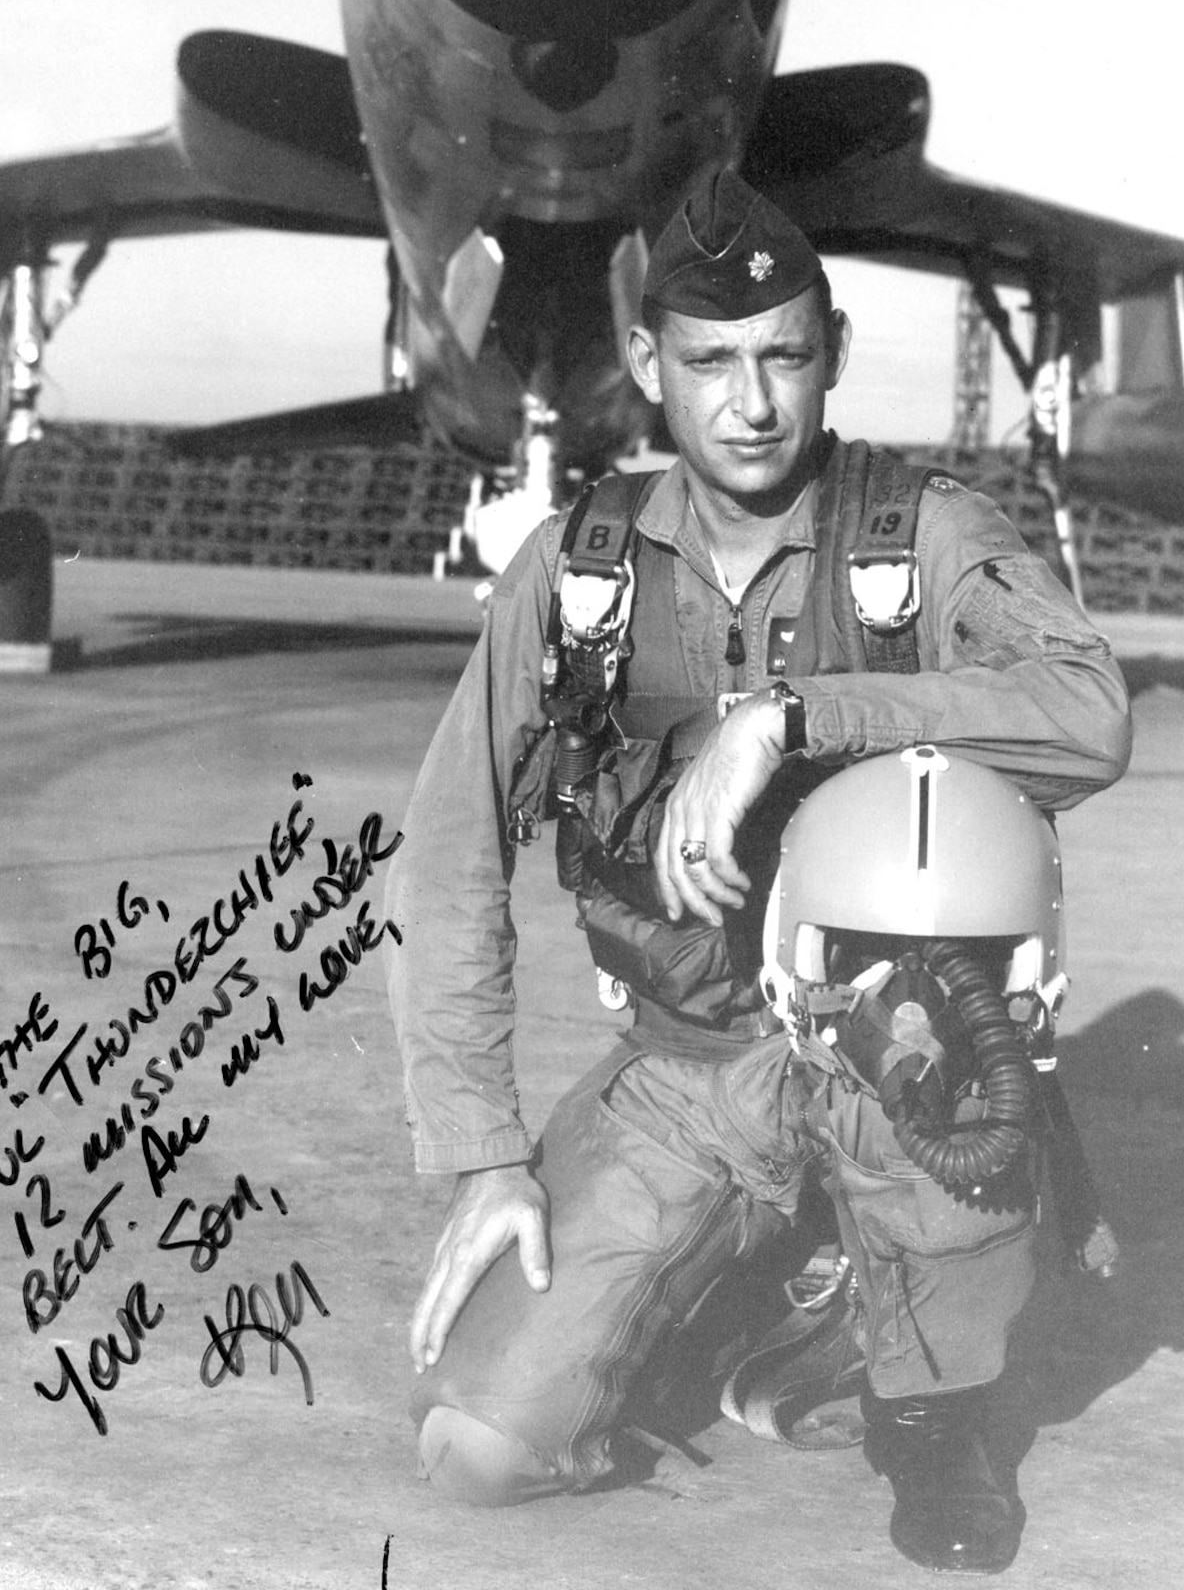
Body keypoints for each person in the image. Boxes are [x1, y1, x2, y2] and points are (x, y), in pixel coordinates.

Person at [383, 168, 1132, 1572]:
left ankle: (928, 1407)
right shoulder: (576, 574)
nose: (750, 402)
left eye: (784, 355)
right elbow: (446, 854)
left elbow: (1088, 711)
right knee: (478, 1453)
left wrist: (788, 719)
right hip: (686, 1070)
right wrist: (485, 1153)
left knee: (926, 1391)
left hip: (902, 1065)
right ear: (646, 362)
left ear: (830, 355)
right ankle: (759, 1297)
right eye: (712, 361)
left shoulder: (918, 538)